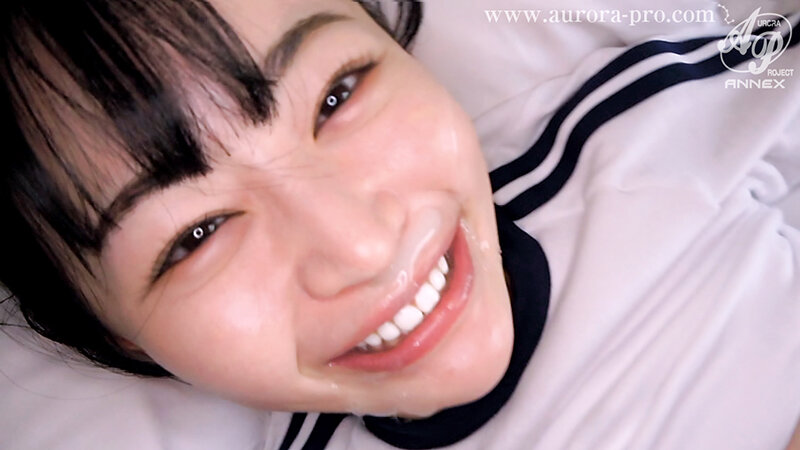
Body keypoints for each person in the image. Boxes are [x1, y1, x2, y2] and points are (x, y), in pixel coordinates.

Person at [1, 0, 798, 449]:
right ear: (120, 341)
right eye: (196, 236)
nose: (362, 246)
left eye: (338, 95)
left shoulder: (633, 125)